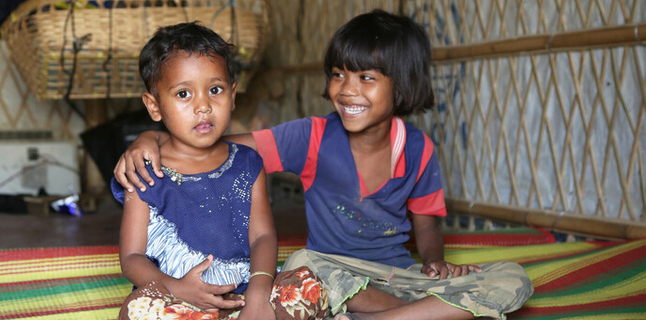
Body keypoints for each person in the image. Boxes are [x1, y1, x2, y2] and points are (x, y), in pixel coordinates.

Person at [114, 10, 533, 320]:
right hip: (333, 273)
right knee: (303, 264)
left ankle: (410, 310)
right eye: (337, 75)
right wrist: (148, 138)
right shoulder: (310, 137)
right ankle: (434, 314)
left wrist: (435, 264)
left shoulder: (420, 149)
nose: (347, 90)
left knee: (514, 276)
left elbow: (425, 224)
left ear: (401, 84)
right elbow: (209, 146)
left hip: (401, 277)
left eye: (365, 78)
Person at [112, 22, 328, 320]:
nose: (203, 106)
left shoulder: (248, 163)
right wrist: (178, 289)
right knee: (139, 309)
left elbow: (262, 237)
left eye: (215, 90)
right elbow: (132, 258)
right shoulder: (145, 171)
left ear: (233, 94)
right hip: (179, 293)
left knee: (309, 285)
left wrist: (258, 293)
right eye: (184, 94)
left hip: (243, 287)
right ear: (154, 106)